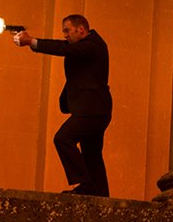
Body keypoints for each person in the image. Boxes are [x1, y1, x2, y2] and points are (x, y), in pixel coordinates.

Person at [13, 14, 111, 196]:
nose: (65, 35)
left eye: (67, 30)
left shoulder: (93, 45)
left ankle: (86, 184)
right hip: (96, 110)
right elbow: (64, 47)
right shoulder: (87, 46)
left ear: (80, 29)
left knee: (63, 139)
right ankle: (100, 194)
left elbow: (62, 48)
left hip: (92, 110)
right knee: (92, 154)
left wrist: (32, 41)